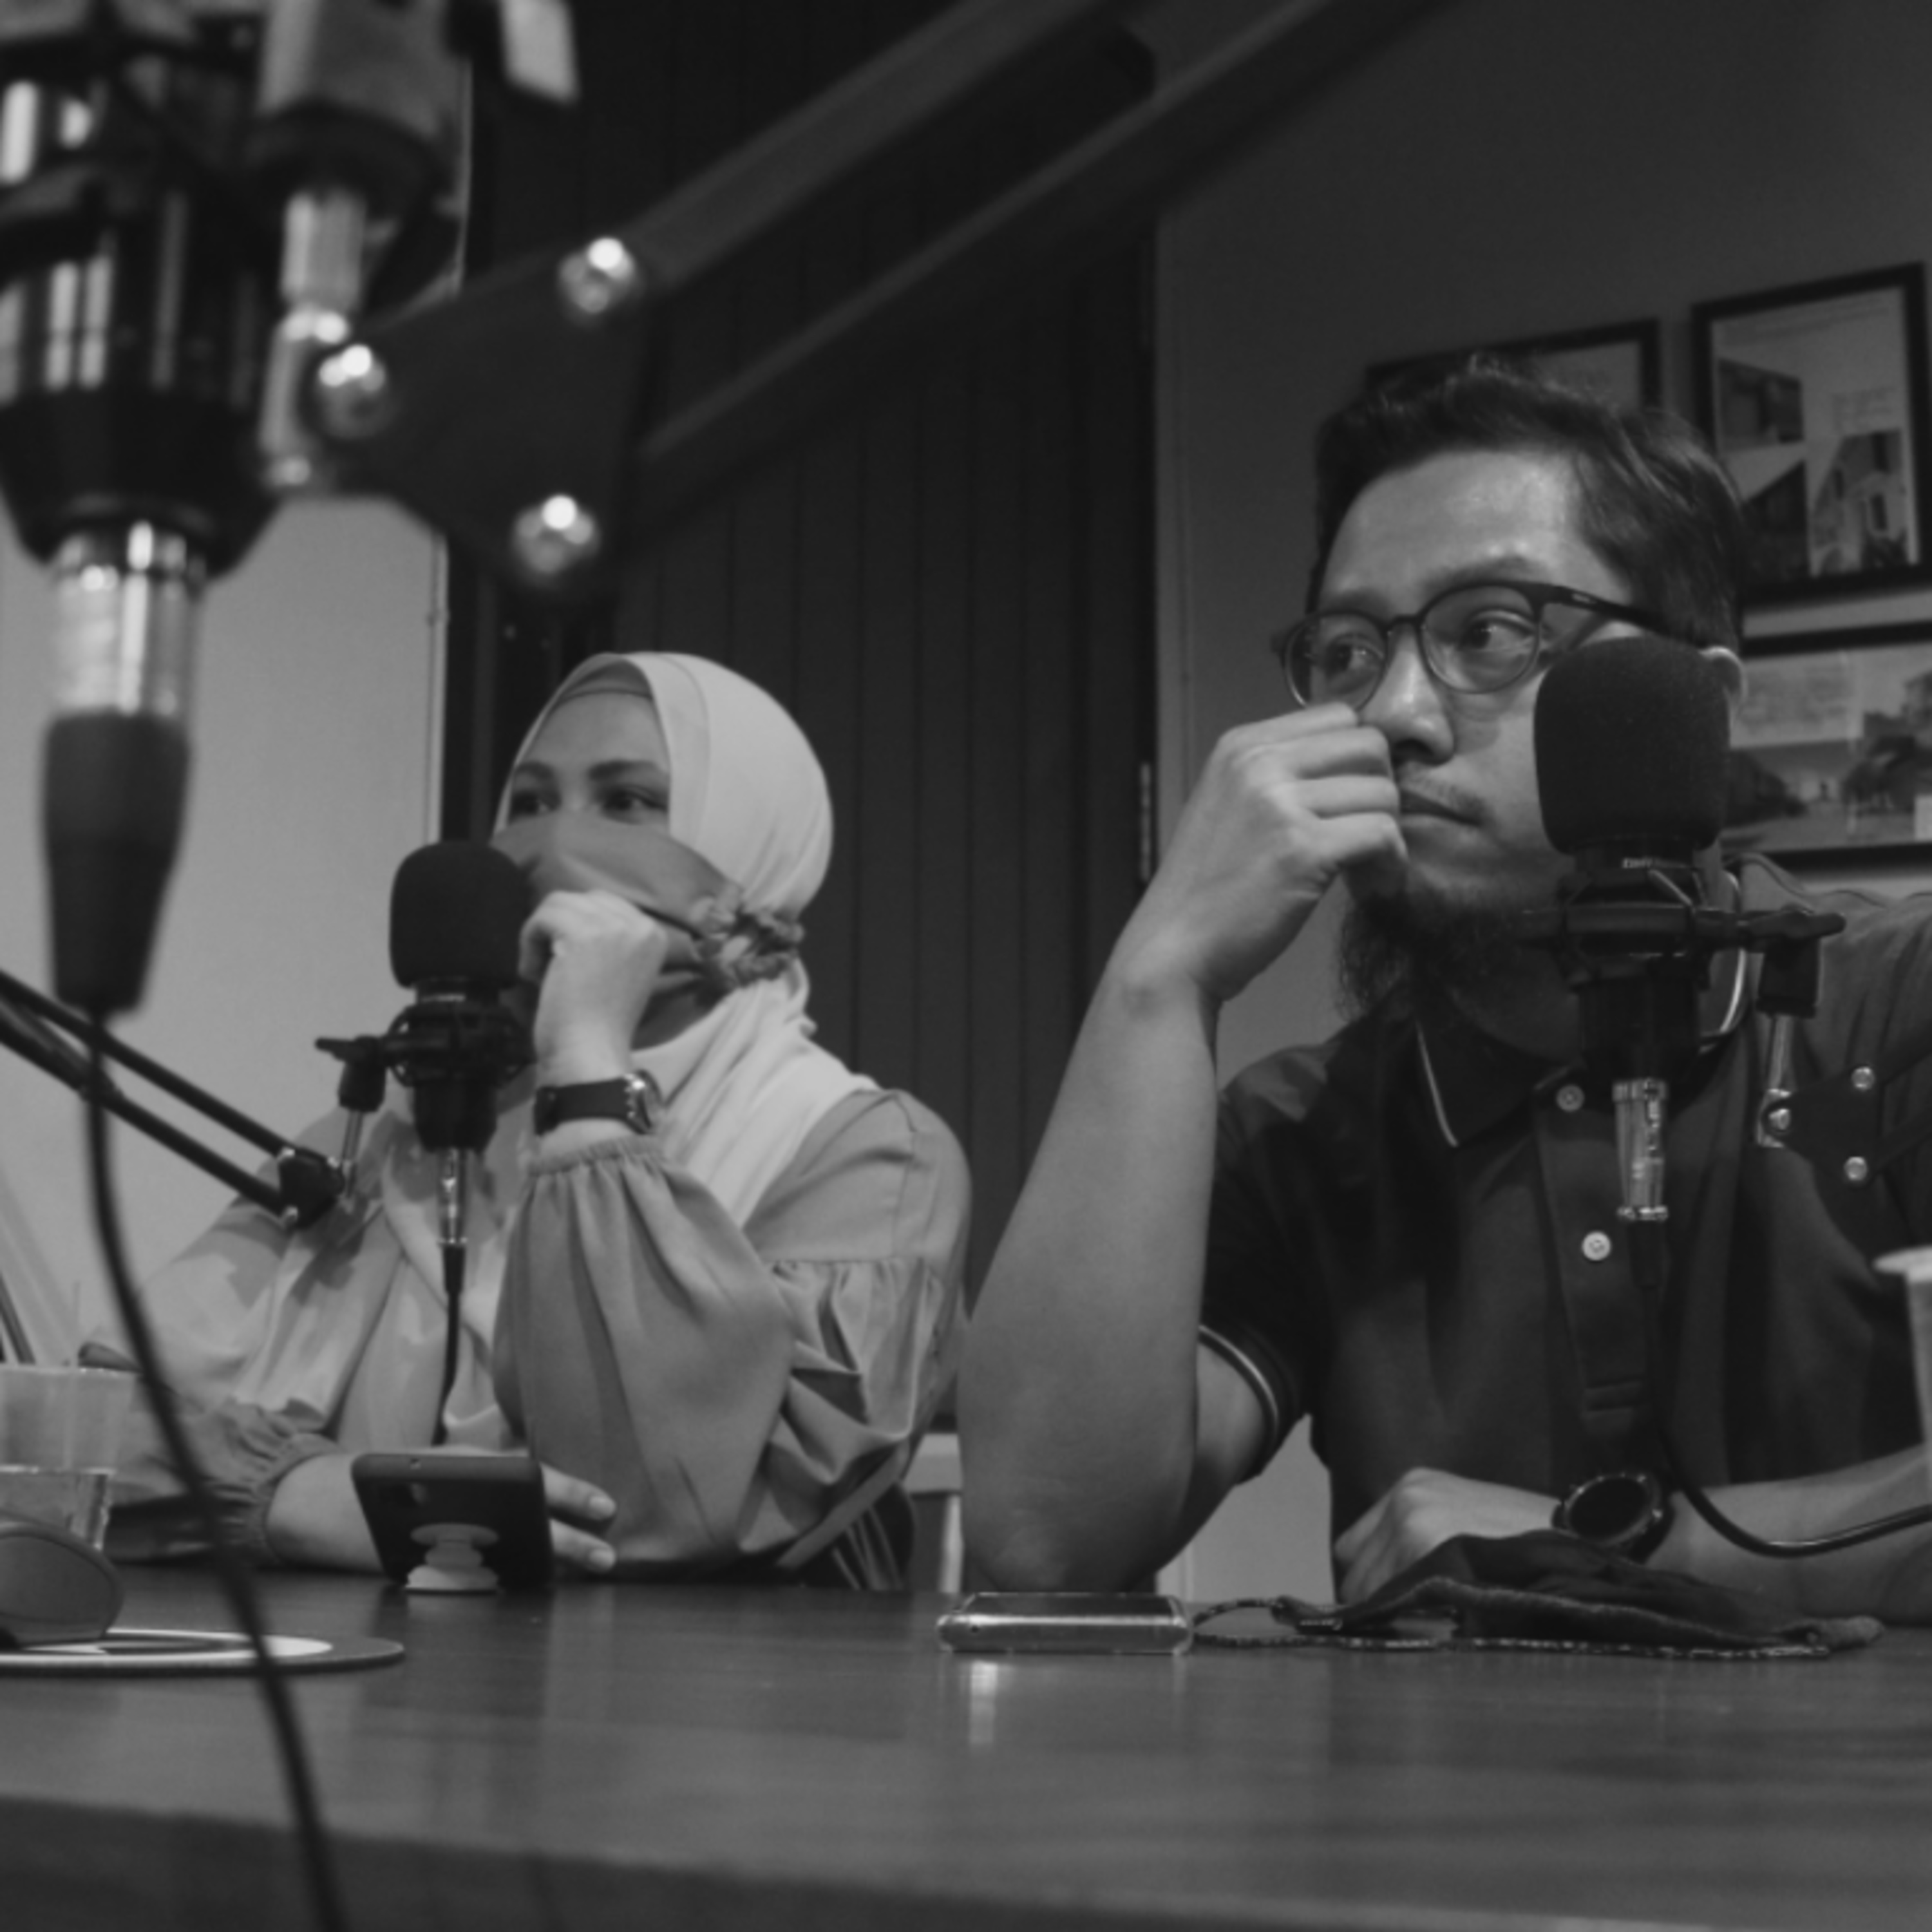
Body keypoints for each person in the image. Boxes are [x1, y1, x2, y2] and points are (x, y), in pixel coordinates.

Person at [959, 355, 1932, 1619]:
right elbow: (1045, 1545)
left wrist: (1615, 1548)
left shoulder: (1897, 1007)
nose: (1396, 713)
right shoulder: (1307, 1135)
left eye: (1490, 632)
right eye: (1350, 651)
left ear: (1695, 709)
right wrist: (1160, 976)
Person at [99, 651, 970, 1588]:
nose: (556, 841)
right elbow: (75, 1436)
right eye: (530, 802)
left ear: (756, 850)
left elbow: (665, 1505)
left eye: (627, 802)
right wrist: (298, 1495)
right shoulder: (390, 1140)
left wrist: (589, 1074)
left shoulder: (869, 1157)